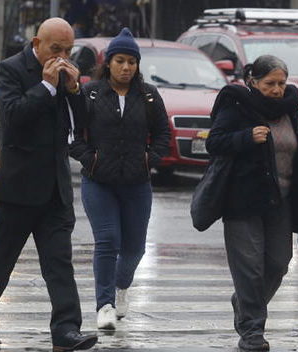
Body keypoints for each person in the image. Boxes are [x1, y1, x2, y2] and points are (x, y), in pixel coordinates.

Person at [0, 18, 98, 350]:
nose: (63, 56)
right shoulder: (10, 70)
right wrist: (46, 87)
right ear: (37, 43)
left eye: (68, 49)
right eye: (56, 49)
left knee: (59, 263)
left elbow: (86, 123)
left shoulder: (68, 72)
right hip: (17, 189)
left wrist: (76, 91)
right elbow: (13, 119)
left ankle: (66, 330)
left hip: (55, 189)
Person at [206, 55, 298, 351]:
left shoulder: (291, 110)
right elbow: (214, 142)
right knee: (250, 269)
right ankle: (252, 332)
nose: (277, 89)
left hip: (280, 200)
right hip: (242, 200)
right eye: (269, 83)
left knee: (278, 264)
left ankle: (243, 302)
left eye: (282, 83)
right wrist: (245, 137)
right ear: (252, 82)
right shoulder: (237, 105)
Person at [69, 27, 170, 330]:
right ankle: (104, 305)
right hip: (98, 181)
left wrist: (149, 159)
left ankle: (120, 287)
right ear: (108, 62)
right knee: (107, 240)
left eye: (132, 62)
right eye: (120, 61)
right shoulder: (92, 92)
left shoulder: (149, 95)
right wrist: (90, 158)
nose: (126, 67)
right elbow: (73, 134)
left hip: (137, 182)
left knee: (135, 248)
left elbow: (163, 133)